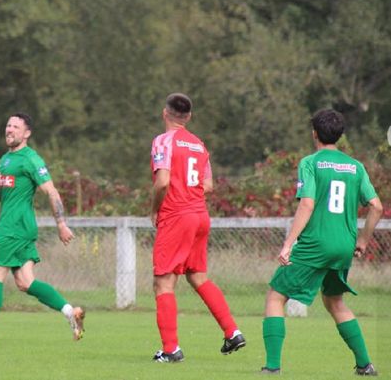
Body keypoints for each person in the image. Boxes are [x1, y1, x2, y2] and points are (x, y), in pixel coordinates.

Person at [261, 108, 383, 376]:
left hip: (316, 244)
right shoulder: (356, 166)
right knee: (334, 302)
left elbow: (307, 203)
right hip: (343, 246)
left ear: (314, 133)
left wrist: (288, 243)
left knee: (275, 296)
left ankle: (271, 367)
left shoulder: (311, 162)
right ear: (339, 136)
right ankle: (365, 365)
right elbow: (376, 206)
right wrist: (362, 240)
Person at [0, 113, 85, 343]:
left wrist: (61, 224)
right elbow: (0, 198)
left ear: (26, 133)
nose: (9, 129)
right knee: (25, 282)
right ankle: (70, 312)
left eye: (15, 126)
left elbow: (51, 191)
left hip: (13, 227)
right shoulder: (5, 160)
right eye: (8, 125)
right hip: (19, 227)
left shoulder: (31, 159)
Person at [149, 93, 245, 363]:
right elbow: (209, 184)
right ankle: (232, 332)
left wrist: (155, 209)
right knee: (198, 277)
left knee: (163, 282)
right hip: (200, 215)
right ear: (188, 117)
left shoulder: (163, 141)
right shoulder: (199, 145)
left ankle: (170, 350)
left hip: (176, 215)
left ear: (164, 113)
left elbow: (163, 182)